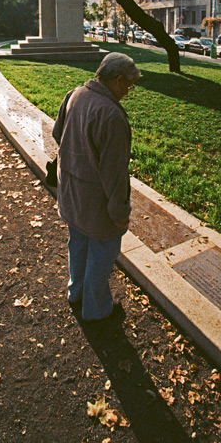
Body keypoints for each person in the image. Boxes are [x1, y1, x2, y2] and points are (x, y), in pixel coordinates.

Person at [52, 52, 141, 322]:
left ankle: (75, 293)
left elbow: (58, 134)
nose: (129, 90)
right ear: (117, 79)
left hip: (70, 193)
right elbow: (114, 174)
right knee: (102, 256)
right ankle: (97, 310)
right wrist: (119, 214)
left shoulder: (75, 94)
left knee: (77, 245)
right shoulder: (111, 114)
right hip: (97, 204)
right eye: (129, 84)